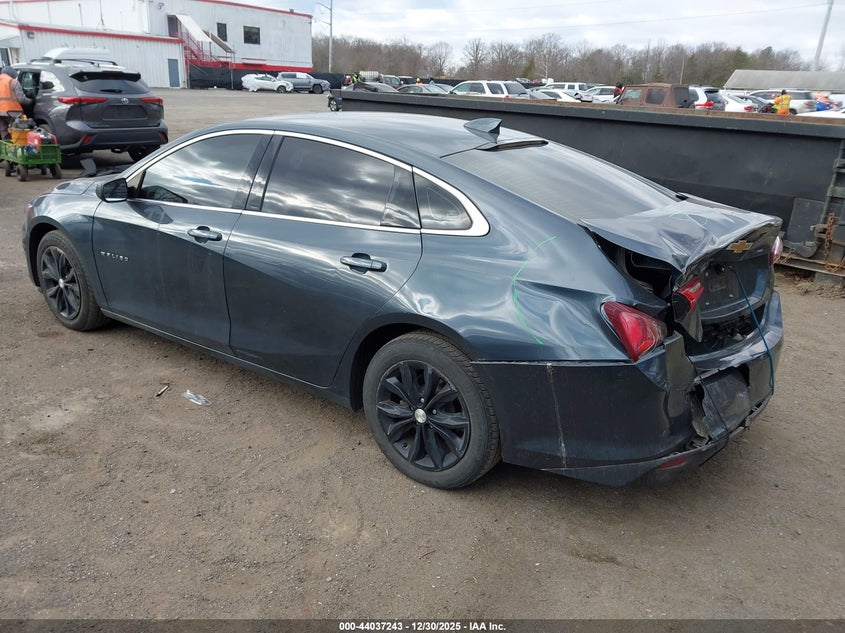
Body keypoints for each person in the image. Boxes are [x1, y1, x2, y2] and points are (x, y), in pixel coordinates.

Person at [0, 66, 33, 140]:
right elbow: (21, 99)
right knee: (18, 131)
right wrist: (31, 101)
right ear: (11, 74)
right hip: (13, 112)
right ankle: (19, 147)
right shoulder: (13, 82)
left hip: (0, 113)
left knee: (4, 131)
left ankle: (9, 149)